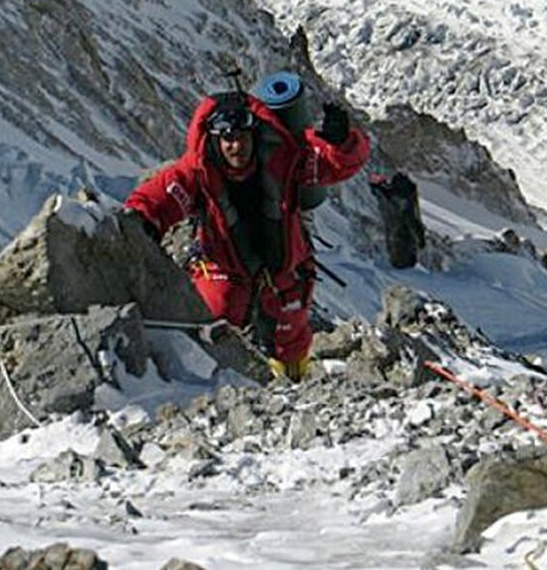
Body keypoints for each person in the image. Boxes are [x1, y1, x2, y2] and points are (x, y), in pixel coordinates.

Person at [124, 90, 370, 381]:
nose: (236, 145)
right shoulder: (197, 172)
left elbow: (336, 164)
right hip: (224, 270)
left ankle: (294, 386)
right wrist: (142, 222)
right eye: (228, 138)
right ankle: (223, 387)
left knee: (291, 334)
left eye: (242, 137)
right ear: (215, 139)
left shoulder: (286, 158)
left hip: (284, 269)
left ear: (255, 135)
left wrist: (340, 142)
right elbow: (160, 197)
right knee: (213, 318)